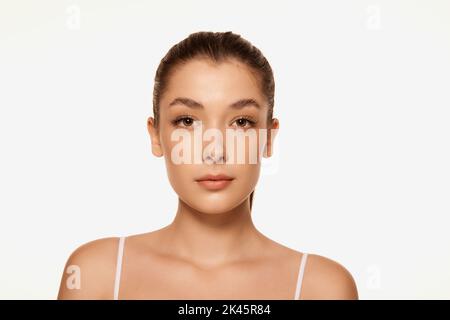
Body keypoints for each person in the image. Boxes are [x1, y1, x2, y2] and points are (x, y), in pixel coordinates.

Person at [57, 31, 358, 300]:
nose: (215, 151)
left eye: (242, 122)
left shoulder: (322, 288)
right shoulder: (96, 274)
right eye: (187, 121)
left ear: (268, 138)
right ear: (156, 135)